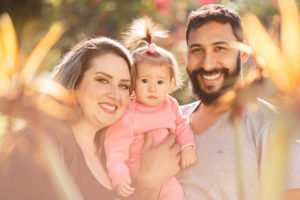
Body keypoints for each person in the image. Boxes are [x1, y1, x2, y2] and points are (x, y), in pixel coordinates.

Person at [0, 37, 181, 200]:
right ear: (75, 82)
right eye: (102, 80)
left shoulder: (118, 156)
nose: (115, 94)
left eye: (124, 86)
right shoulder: (36, 144)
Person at [177, 4, 300, 200]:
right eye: (197, 50)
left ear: (243, 53)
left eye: (220, 48)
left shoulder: (272, 125)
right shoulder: (171, 120)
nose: (207, 63)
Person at [104, 17, 197, 199]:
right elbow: (115, 146)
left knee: (176, 194)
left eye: (159, 82)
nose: (152, 87)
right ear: (132, 83)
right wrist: (119, 175)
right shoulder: (129, 112)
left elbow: (182, 126)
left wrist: (188, 146)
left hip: (167, 171)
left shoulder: (170, 104)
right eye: (145, 80)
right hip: (139, 171)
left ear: (170, 84)